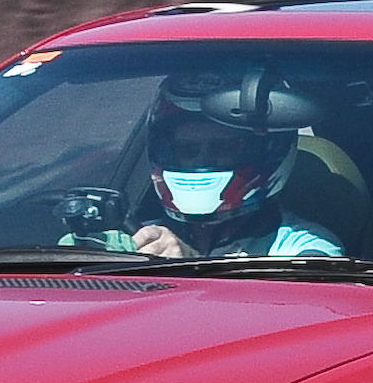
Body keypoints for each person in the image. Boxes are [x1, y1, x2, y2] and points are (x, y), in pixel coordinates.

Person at [110, 67, 345, 259]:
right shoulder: (143, 238)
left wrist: (190, 265)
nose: (202, 160)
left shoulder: (305, 248)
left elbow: (285, 310)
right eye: (187, 150)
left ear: (268, 151)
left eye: (223, 148)